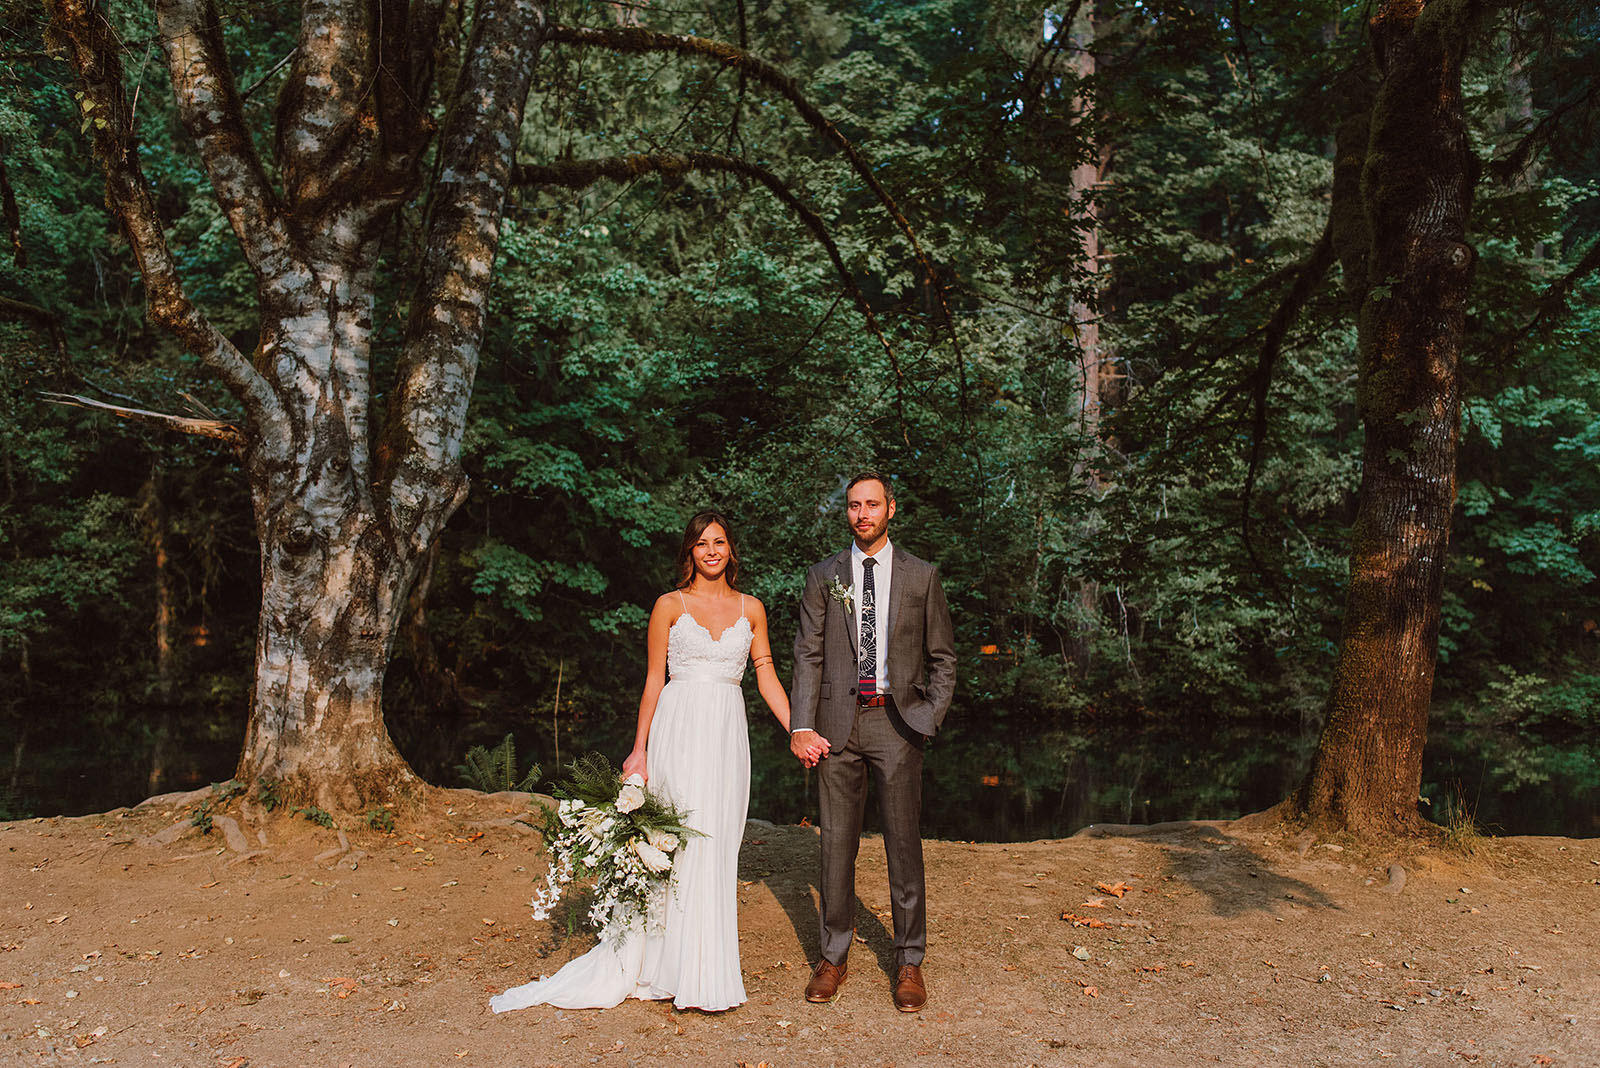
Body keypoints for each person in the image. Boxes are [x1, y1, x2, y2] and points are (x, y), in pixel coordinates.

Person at [491, 511, 822, 1014]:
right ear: (689, 551)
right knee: (674, 840)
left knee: (717, 843)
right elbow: (653, 680)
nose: (711, 550)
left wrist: (797, 728)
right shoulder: (669, 606)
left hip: (727, 733)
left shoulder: (752, 609)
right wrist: (639, 749)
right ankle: (659, 965)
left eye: (720, 542)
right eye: (701, 543)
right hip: (678, 728)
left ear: (731, 549)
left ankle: (705, 970)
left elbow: (766, 676)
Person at [787, 472, 956, 1012]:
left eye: (873, 504)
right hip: (837, 727)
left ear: (891, 509)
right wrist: (801, 724)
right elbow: (807, 655)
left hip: (897, 724)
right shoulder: (823, 576)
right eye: (855, 506)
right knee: (836, 843)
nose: (863, 514)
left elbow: (944, 658)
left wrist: (926, 717)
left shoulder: (921, 576)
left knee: (902, 844)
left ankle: (909, 961)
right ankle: (832, 956)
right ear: (847, 513)